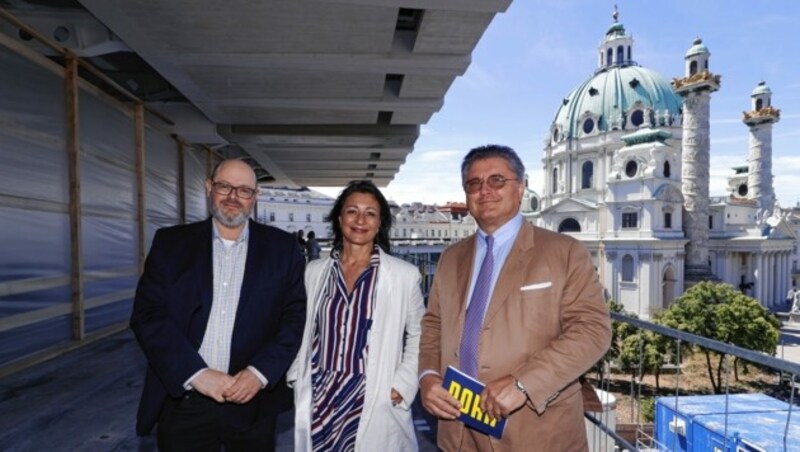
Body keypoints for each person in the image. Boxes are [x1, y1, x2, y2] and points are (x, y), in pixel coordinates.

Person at [418, 145, 612, 451]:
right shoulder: (450, 257)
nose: (485, 191)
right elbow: (433, 324)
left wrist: (524, 383)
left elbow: (592, 331)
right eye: (474, 183)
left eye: (497, 180)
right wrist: (428, 376)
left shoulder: (564, 252)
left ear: (520, 188)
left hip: (535, 431)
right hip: (457, 430)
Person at [130, 158, 306, 451]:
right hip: (184, 400)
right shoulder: (171, 244)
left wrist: (259, 373)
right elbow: (148, 315)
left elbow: (294, 318)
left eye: (244, 190)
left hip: (252, 402)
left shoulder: (282, 249)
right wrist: (196, 374)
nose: (233, 197)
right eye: (225, 186)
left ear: (255, 197)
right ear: (209, 188)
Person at [288, 180, 425, 451]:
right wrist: (296, 375)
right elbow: (300, 326)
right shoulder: (314, 271)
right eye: (352, 211)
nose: (360, 219)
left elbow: (421, 332)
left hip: (373, 390)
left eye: (370, 213)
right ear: (339, 219)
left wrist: (404, 383)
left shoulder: (403, 275)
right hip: (321, 390)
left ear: (379, 223)